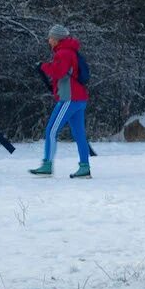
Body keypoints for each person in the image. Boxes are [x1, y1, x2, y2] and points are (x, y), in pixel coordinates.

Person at [30, 29, 92, 179]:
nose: (48, 40)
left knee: (51, 130)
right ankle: (85, 168)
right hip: (78, 98)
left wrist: (43, 66)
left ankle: (47, 165)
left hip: (69, 99)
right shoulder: (70, 51)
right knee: (79, 134)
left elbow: (59, 72)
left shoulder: (63, 53)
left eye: (50, 37)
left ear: (57, 39)